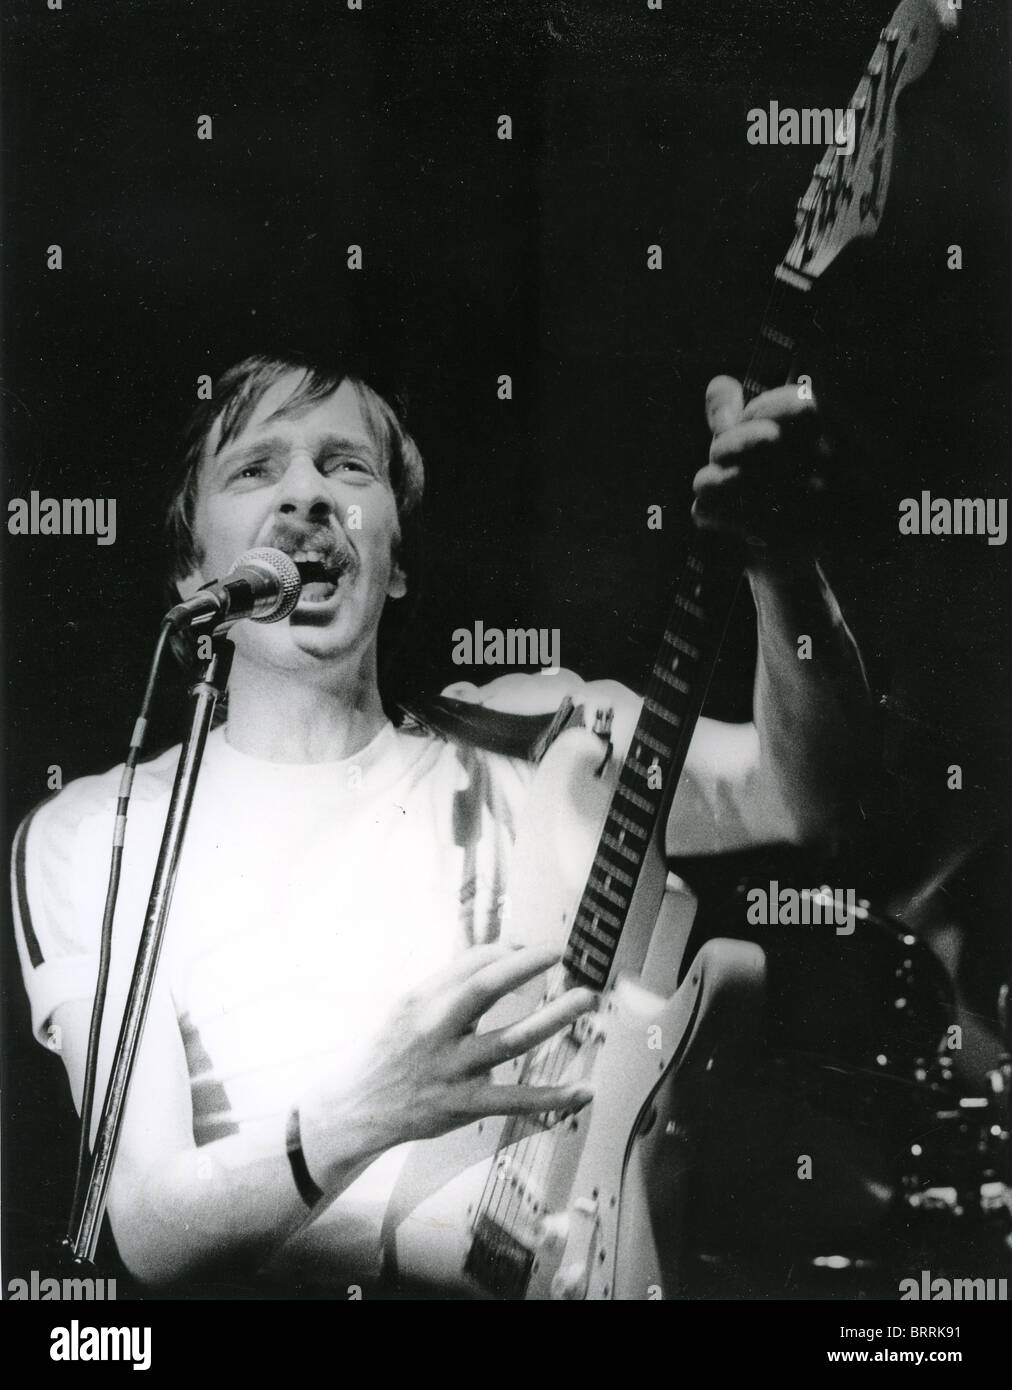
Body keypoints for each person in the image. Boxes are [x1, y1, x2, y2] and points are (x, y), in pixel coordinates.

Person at [12, 352, 873, 1296]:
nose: (305, 493)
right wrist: (369, 1111)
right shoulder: (102, 831)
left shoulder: (550, 740)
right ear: (191, 571)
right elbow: (146, 1223)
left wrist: (781, 566)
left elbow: (805, 792)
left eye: (346, 466)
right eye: (256, 468)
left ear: (397, 560)